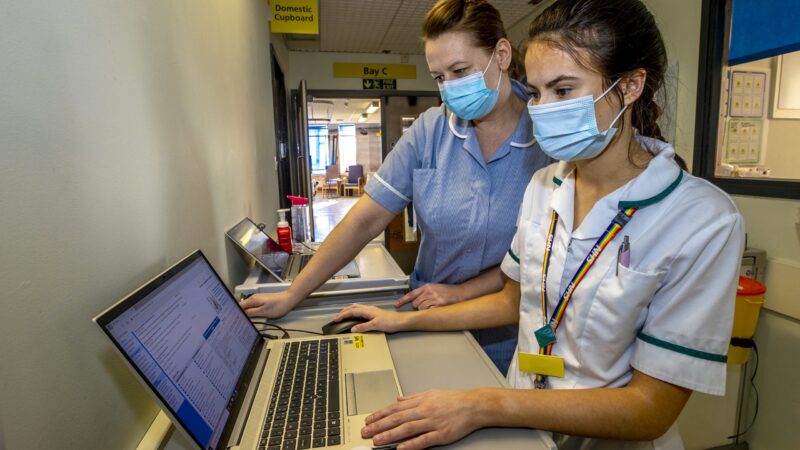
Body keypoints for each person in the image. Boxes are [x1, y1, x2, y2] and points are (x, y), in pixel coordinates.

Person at [331, 0, 746, 448]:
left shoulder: (704, 220)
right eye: (538, 90)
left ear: (630, 86)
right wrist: (403, 321)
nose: (541, 107)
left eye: (562, 91)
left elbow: (651, 409)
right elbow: (513, 301)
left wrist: (482, 405)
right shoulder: (544, 185)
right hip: (521, 427)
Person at [242, 0, 552, 374]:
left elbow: (542, 259)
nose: (450, 87)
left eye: (460, 70)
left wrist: (460, 293)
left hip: (508, 331)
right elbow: (364, 221)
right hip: (427, 313)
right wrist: (292, 294)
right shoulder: (430, 131)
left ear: (501, 54)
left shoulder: (549, 137)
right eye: (439, 77)